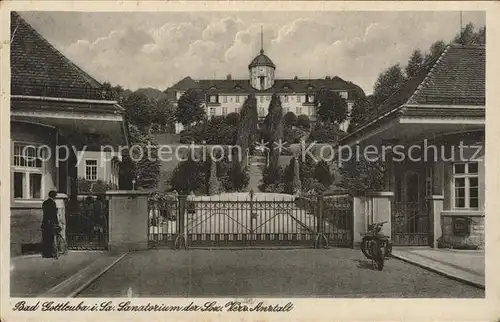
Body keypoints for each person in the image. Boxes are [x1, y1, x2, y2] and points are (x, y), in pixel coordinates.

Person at [41, 191, 60, 258]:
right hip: (51, 223)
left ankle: (45, 254)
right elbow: (54, 215)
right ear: (54, 196)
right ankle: (49, 254)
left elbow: (45, 213)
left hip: (45, 223)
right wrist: (57, 223)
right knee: (50, 239)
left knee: (45, 238)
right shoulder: (53, 203)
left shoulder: (45, 203)